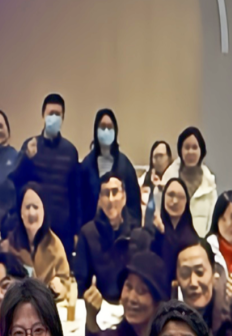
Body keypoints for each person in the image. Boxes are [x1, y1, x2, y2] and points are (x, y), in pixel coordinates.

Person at [11, 94, 80, 242]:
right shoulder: (30, 145)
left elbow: (75, 194)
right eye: (50, 113)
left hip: (63, 229)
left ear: (63, 118)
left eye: (58, 114)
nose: (54, 117)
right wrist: (26, 157)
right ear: (43, 115)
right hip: (35, 226)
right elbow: (17, 183)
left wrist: (77, 231)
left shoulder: (70, 151)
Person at [73, 172, 151, 300]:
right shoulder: (87, 234)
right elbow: (80, 282)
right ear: (99, 199)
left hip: (130, 304)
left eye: (115, 192)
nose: (110, 199)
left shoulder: (138, 235)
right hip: (98, 306)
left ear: (124, 197)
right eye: (106, 193)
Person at [74, 108, 143, 236]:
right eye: (102, 127)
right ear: (96, 130)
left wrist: (133, 232)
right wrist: (79, 232)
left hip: (122, 234)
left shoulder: (125, 165)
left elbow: (134, 205)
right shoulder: (86, 165)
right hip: (93, 234)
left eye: (110, 127)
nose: (106, 131)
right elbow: (79, 203)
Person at [6, 183, 73, 303]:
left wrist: (59, 288)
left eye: (36, 207)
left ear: (44, 211)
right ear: (21, 212)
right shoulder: (8, 246)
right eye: (27, 207)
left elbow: (66, 283)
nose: (31, 213)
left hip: (46, 308)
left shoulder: (55, 245)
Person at [160, 126, 217, 237]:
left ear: (201, 151)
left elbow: (212, 220)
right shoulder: (168, 179)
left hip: (200, 242)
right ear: (180, 150)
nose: (190, 152)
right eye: (187, 147)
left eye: (194, 147)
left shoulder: (209, 183)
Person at [141, 139, 174, 229]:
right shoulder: (145, 178)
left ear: (169, 158)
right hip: (146, 228)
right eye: (155, 157)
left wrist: (161, 187)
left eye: (161, 156)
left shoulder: (175, 177)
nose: (158, 160)